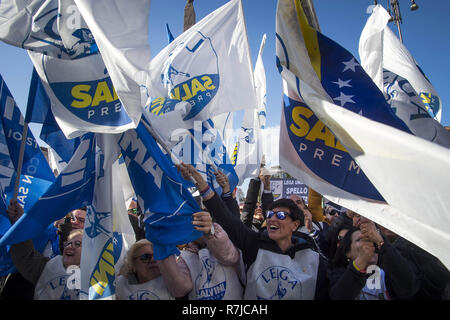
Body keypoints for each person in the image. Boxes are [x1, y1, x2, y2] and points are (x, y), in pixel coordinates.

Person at [177, 163, 329, 300]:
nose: (272, 219)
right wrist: (201, 183)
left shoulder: (313, 258)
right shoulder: (255, 245)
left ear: (295, 225)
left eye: (281, 215)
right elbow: (228, 220)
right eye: (269, 214)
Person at [8, 199, 83, 300]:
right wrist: (19, 222)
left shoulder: (97, 276)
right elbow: (25, 255)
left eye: (78, 244)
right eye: (68, 243)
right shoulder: (48, 268)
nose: (70, 246)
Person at [328, 217, 420, 300]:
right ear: (348, 252)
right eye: (360, 239)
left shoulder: (388, 271)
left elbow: (409, 288)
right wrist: (361, 261)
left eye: (371, 239)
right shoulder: (338, 274)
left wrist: (381, 242)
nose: (369, 243)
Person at [179, 211, 245, 300]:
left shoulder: (228, 242)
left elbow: (229, 256)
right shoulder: (184, 255)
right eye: (192, 224)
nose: (197, 228)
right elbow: (180, 289)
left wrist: (211, 233)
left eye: (202, 223)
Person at [116, 238, 192, 300]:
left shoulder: (173, 283)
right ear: (133, 263)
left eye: (157, 256)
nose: (153, 260)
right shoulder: (120, 285)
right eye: (145, 257)